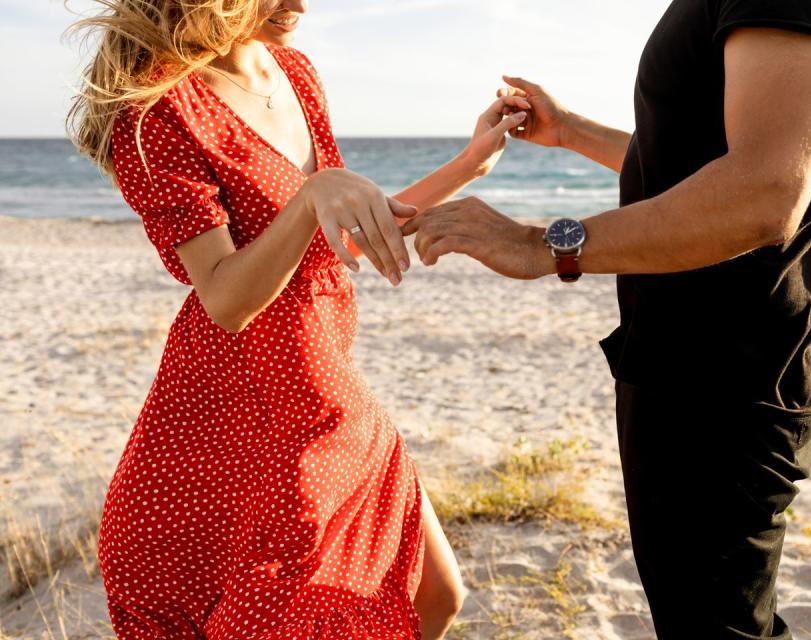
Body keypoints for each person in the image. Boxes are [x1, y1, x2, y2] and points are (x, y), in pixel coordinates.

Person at [403, 1, 811, 638]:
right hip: (689, 365)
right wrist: (572, 131)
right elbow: (699, 162)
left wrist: (541, 245)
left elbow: (764, 190)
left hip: (725, 379)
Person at [66, 0, 529, 637]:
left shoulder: (296, 71)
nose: (301, 4)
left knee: (436, 597)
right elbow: (225, 300)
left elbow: (337, 233)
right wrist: (314, 195)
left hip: (328, 386)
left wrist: (471, 163)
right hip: (238, 418)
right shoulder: (156, 107)